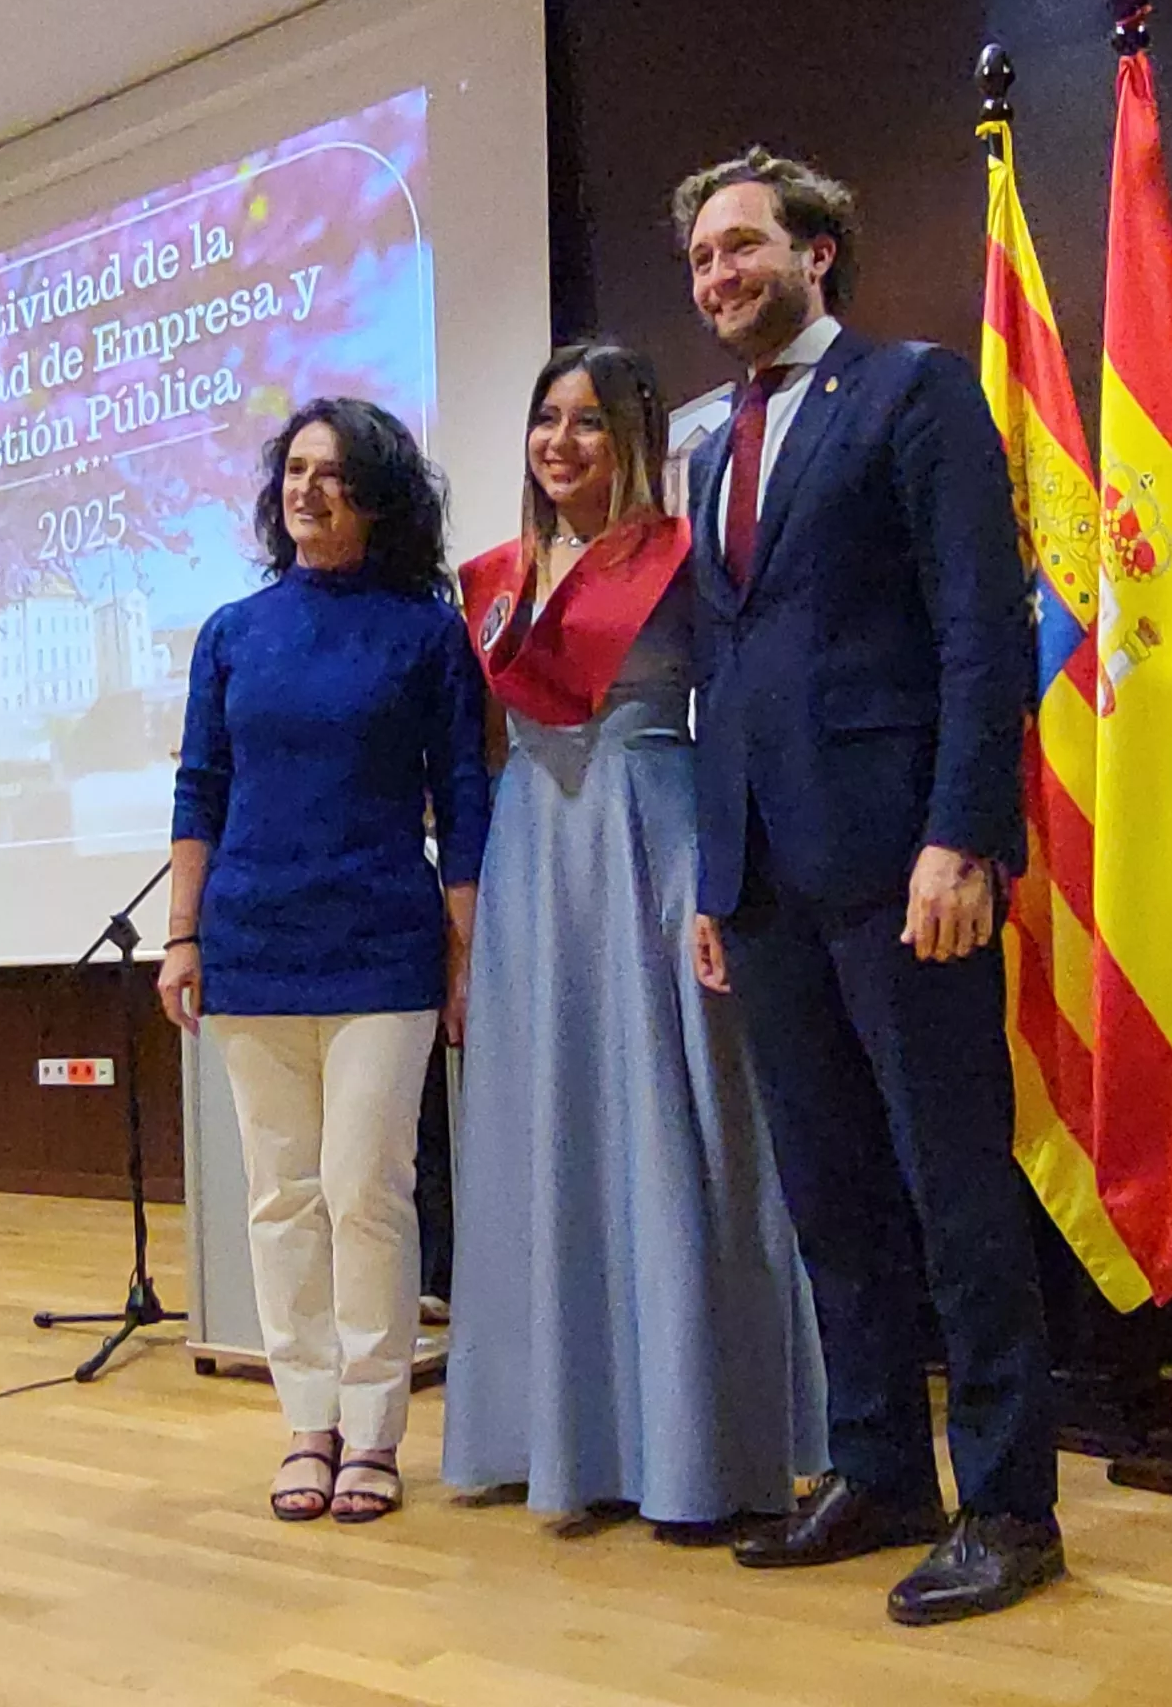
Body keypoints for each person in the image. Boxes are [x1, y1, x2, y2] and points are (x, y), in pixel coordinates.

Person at [673, 147, 1056, 1624]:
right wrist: (717, 875)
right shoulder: (715, 448)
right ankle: (879, 1468)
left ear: (818, 252)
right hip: (765, 882)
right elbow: (724, 672)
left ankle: (1013, 1508)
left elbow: (980, 627)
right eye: (703, 258)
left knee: (954, 1187)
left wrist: (964, 836)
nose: (719, 277)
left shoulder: (913, 392)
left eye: (743, 246)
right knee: (831, 1196)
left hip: (908, 871)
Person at [442, 341, 826, 1539]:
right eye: (545, 420)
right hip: (532, 861)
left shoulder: (682, 555)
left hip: (652, 840)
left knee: (677, 1122)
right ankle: (555, 1432)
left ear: (636, 437)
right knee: (547, 1124)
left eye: (589, 424)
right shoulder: (496, 579)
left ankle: (697, 1443)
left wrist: (724, 877)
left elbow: (739, 717)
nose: (560, 443)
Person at [158, 397, 490, 1528]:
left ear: (378, 495)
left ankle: (376, 1429)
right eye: (295, 470)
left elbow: (463, 800)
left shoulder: (425, 633)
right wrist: (181, 936)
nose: (308, 489)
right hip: (251, 944)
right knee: (280, 1197)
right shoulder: (231, 634)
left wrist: (464, 955)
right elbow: (198, 789)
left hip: (382, 946)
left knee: (365, 1191)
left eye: (334, 473)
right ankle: (307, 1421)